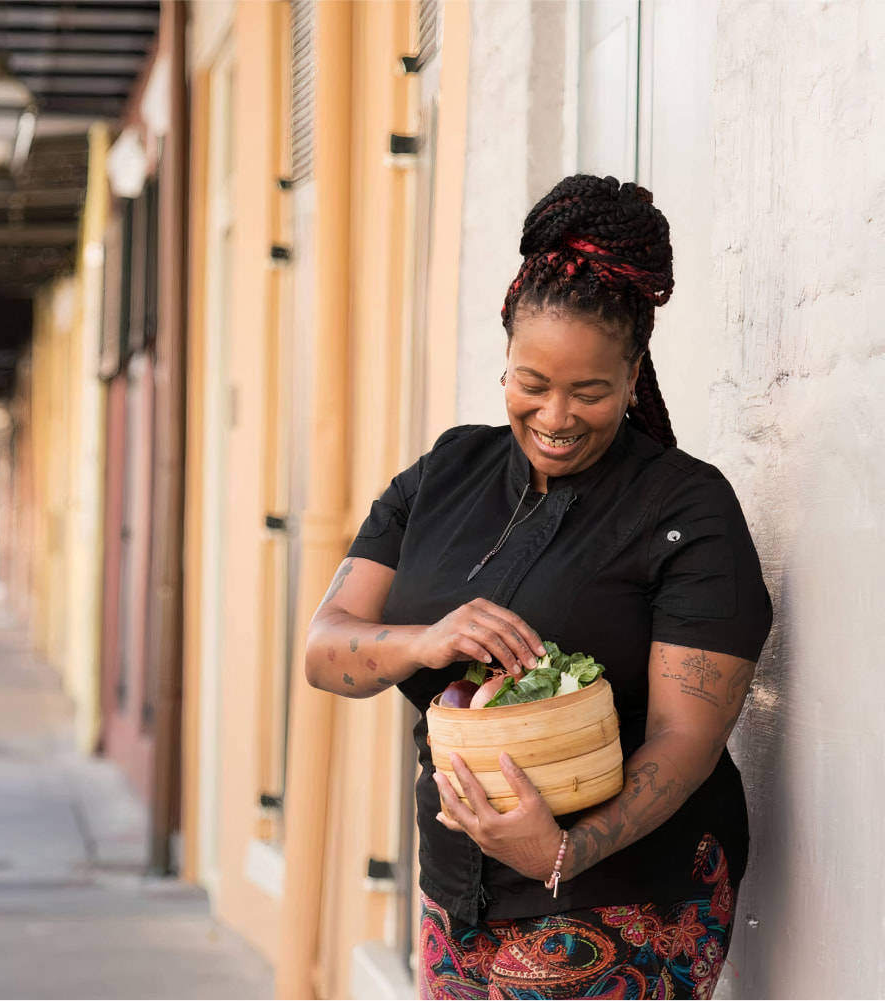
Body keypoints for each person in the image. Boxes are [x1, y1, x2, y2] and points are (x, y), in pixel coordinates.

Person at [305, 174, 772, 1000]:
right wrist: (425, 640)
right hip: (457, 896)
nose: (556, 416)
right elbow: (325, 648)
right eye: (533, 383)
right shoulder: (445, 473)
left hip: (625, 894)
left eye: (590, 391)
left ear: (634, 378)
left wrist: (563, 850)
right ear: (506, 363)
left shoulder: (688, 509)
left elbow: (686, 739)